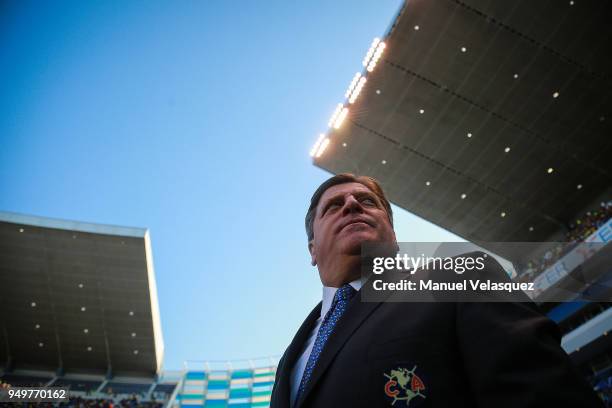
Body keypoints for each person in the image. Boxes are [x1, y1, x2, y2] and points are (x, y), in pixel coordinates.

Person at [270, 173, 603, 408]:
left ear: (394, 236)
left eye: (368, 202)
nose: (353, 205)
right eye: (334, 206)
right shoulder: (292, 357)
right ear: (312, 249)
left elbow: (544, 394)